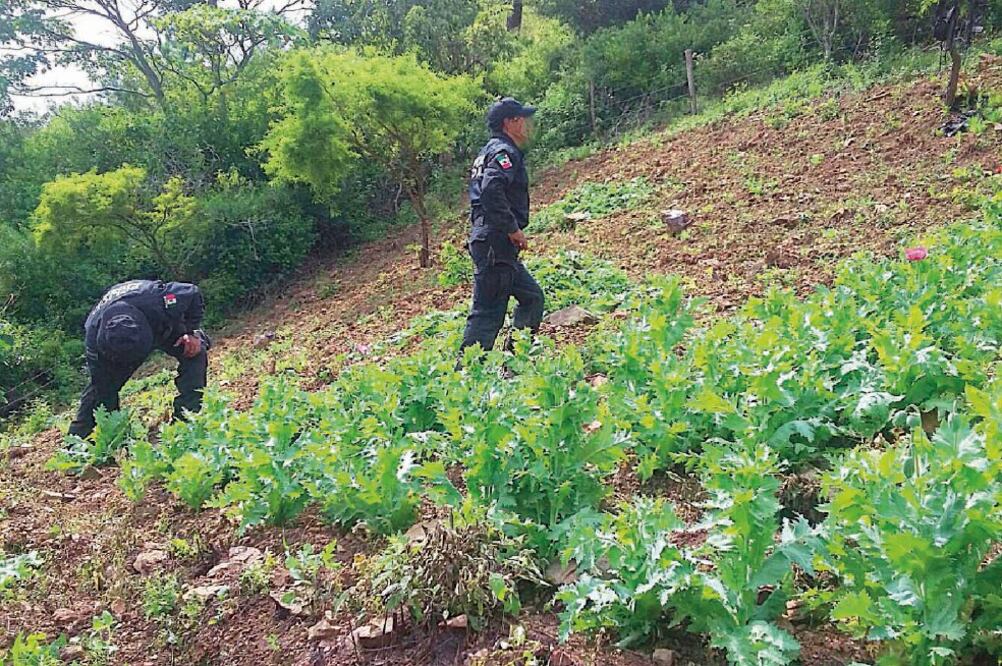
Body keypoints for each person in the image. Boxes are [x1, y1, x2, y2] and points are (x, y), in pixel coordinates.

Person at [68, 280, 210, 438]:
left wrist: (191, 331)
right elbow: (101, 390)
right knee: (102, 389)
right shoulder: (94, 341)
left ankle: (186, 421)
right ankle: (78, 440)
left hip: (160, 326)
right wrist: (113, 432)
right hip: (114, 351)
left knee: (195, 351)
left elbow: (192, 293)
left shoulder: (157, 299)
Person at [459, 97, 544, 358]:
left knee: (532, 297)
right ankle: (467, 381)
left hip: (495, 243)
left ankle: (514, 362)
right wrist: (512, 228)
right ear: (509, 122)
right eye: (521, 119)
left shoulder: (490, 151)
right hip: (496, 241)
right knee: (487, 315)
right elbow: (491, 189)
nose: (526, 125)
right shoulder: (503, 152)